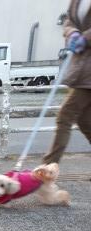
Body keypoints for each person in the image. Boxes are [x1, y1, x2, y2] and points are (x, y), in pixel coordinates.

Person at [43, 0, 91, 164]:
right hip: (80, 68)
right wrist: (72, 33)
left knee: (65, 115)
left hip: (87, 73)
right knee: (85, 121)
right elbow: (69, 20)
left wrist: (85, 38)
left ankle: (47, 168)